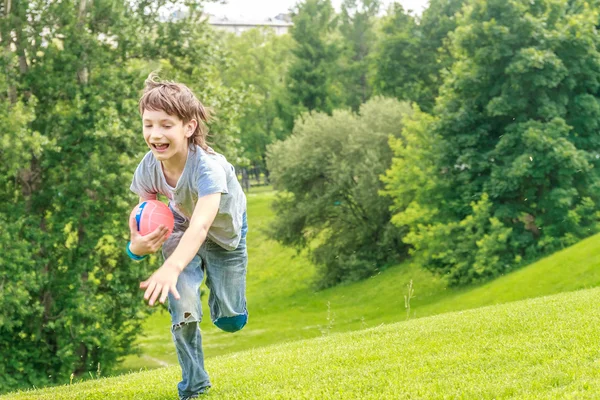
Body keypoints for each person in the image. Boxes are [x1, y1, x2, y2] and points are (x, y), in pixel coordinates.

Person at [126, 73, 248, 400]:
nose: (155, 134)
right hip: (180, 229)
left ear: (188, 127)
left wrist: (170, 267)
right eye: (148, 124)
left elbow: (202, 226)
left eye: (166, 124)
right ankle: (194, 387)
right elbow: (143, 213)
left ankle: (224, 303)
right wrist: (135, 245)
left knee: (231, 319)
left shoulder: (208, 168)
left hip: (224, 234)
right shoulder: (149, 166)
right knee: (184, 305)